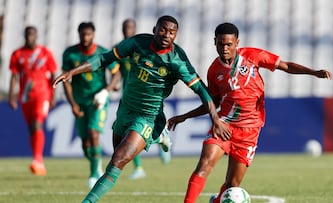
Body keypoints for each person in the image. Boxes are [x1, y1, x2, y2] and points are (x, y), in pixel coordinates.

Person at [52, 15, 230, 203]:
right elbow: (104, 58)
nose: (166, 35)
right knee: (116, 156)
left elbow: (202, 90)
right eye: (163, 30)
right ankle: (160, 136)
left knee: (117, 161)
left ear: (175, 36)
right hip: (125, 110)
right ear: (155, 29)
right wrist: (72, 72)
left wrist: (216, 119)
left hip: (147, 117)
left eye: (172, 33)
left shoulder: (176, 60)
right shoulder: (138, 43)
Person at [167, 22, 333, 203]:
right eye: (221, 44)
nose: (224, 48)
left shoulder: (253, 56)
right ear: (214, 42)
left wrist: (314, 72)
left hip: (249, 131)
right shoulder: (214, 70)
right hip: (225, 125)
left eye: (229, 44)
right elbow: (212, 102)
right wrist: (185, 116)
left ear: (237, 43)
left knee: (232, 186)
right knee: (204, 165)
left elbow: (285, 66)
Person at [61, 22, 120, 188]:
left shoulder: (102, 53)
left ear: (93, 35)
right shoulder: (70, 54)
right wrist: (72, 103)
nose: (85, 37)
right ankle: (96, 161)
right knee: (85, 143)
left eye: (88, 34)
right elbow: (66, 81)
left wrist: (106, 91)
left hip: (98, 100)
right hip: (80, 101)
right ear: (78, 34)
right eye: (82, 34)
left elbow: (117, 74)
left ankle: (94, 174)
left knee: (94, 133)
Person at [119, 18, 172, 180]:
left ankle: (158, 139)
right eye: (125, 28)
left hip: (147, 97)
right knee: (128, 135)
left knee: (133, 134)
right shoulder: (123, 48)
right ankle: (159, 139)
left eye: (130, 28)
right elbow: (115, 69)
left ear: (134, 29)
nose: (127, 31)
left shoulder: (142, 47)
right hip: (128, 96)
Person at [8, 26, 58, 176]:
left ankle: (37, 159)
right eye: (27, 35)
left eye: (32, 35)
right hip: (25, 97)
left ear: (36, 36)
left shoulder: (45, 53)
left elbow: (54, 73)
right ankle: (39, 160)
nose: (30, 37)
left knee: (37, 123)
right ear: (24, 36)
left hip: (43, 95)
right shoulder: (17, 54)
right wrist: (12, 96)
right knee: (32, 128)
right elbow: (15, 76)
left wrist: (53, 95)